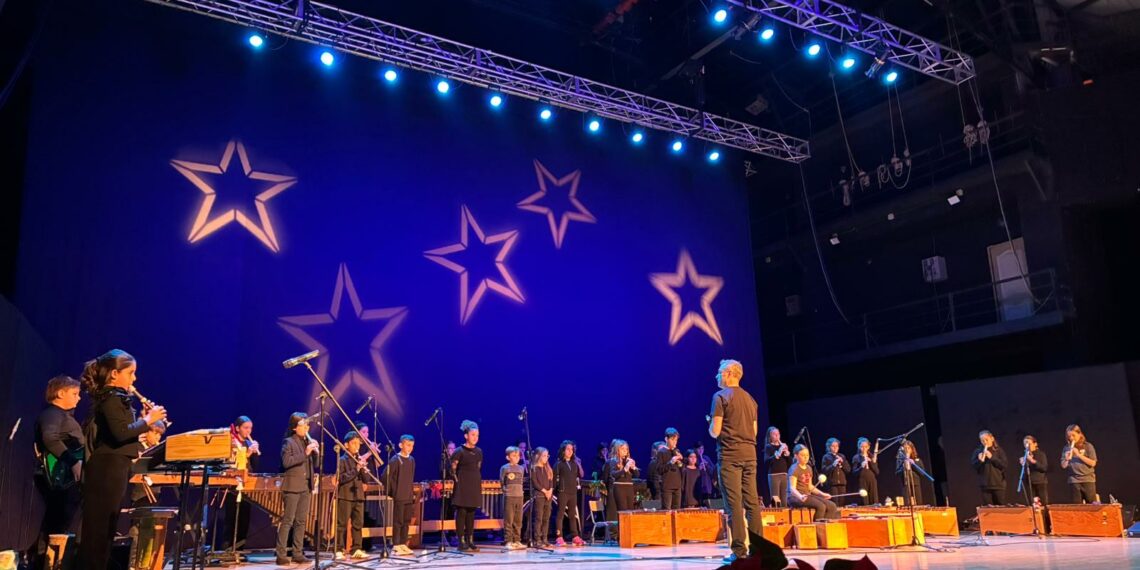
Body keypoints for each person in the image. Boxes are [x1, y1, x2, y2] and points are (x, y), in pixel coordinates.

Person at [78, 350, 167, 570]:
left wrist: (144, 421)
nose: (134, 379)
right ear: (114, 374)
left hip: (115, 466)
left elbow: (124, 432)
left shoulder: (117, 398)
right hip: (106, 468)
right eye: (131, 373)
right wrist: (148, 420)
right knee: (98, 532)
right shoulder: (111, 397)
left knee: (107, 529)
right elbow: (120, 433)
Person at [708, 359, 783, 568]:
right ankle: (759, 551)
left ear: (730, 373)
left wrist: (710, 425)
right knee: (752, 503)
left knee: (734, 504)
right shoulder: (751, 399)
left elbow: (715, 431)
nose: (716, 375)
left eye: (719, 372)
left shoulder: (720, 397)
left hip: (730, 456)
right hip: (750, 455)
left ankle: (739, 551)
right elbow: (755, 431)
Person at [33, 375, 84, 566]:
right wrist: (74, 463)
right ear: (61, 393)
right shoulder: (53, 414)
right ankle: (46, 562)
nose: (78, 398)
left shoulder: (64, 417)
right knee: (56, 523)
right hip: (59, 478)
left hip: (67, 479)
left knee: (59, 523)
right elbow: (50, 439)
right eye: (74, 394)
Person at [276, 412, 318, 565]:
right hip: (292, 487)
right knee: (288, 521)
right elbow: (287, 462)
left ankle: (297, 553)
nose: (307, 427)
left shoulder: (307, 442)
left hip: (305, 486)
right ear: (295, 427)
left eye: (308, 424)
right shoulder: (288, 442)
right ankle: (280, 554)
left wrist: (315, 453)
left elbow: (315, 465)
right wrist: (306, 453)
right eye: (303, 425)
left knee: (301, 521)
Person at [224, 415, 260, 551]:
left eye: (250, 428)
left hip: (247, 484)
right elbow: (233, 463)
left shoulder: (248, 443)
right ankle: (228, 549)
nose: (248, 431)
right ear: (237, 428)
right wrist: (247, 454)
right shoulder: (232, 442)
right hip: (233, 485)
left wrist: (255, 453)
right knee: (232, 519)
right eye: (246, 428)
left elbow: (254, 468)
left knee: (244, 519)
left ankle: (240, 549)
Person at [335, 431, 369, 560]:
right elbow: (341, 478)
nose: (357, 446)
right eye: (353, 443)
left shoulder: (359, 459)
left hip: (358, 495)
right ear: (346, 444)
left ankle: (356, 548)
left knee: (358, 524)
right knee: (342, 524)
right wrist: (356, 469)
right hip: (345, 495)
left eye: (358, 444)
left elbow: (365, 479)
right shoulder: (342, 460)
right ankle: (338, 548)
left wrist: (363, 468)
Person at [451, 420, 483, 551]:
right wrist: (458, 481)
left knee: (471, 513)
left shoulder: (479, 451)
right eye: (473, 435)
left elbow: (478, 467)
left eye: (477, 435)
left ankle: (470, 539)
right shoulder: (459, 451)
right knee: (462, 512)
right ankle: (461, 541)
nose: (475, 437)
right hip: (462, 485)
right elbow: (452, 469)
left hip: (474, 484)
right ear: (466, 436)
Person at [787, 444, 840, 521]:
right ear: (796, 456)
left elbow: (810, 487)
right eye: (802, 455)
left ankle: (826, 526)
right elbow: (792, 488)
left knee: (832, 506)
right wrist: (800, 496)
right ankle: (818, 529)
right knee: (821, 506)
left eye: (807, 455)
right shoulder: (794, 469)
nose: (805, 457)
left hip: (806, 495)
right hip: (795, 497)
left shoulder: (808, 468)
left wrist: (822, 494)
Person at [384, 434, 417, 555]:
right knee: (398, 521)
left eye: (412, 446)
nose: (410, 448)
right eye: (408, 445)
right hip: (399, 495)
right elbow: (386, 476)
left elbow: (411, 477)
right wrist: (393, 491)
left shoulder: (412, 460)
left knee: (406, 520)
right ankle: (396, 544)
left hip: (408, 495)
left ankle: (403, 543)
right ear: (400, 445)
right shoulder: (395, 460)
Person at [552, 440, 585, 547]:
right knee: (560, 514)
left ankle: (575, 536)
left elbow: (581, 474)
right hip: (562, 492)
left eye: (572, 449)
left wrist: (578, 463)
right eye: (568, 449)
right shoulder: (558, 464)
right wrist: (552, 491)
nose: (570, 451)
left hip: (573, 492)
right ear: (563, 450)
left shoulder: (574, 463)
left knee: (572, 515)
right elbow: (553, 479)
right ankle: (559, 536)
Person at [1060, 424, 1097, 504]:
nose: (1071, 438)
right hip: (1073, 481)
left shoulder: (1087, 446)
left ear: (1079, 434)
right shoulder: (1066, 448)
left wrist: (1079, 455)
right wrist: (1066, 459)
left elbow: (1093, 463)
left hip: (1088, 480)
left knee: (1091, 506)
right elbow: (1063, 466)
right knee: (1076, 507)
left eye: (1073, 435)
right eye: (1069, 436)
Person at [971, 430, 1008, 505]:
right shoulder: (978, 451)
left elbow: (1004, 465)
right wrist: (980, 461)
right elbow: (974, 467)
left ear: (992, 438)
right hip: (985, 486)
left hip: (998, 485)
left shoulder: (999, 451)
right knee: (988, 510)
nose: (985, 442)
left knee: (1000, 508)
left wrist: (992, 457)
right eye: (982, 440)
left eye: (986, 439)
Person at [605, 439, 638, 521]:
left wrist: (633, 468)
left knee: (630, 511)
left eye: (626, 449)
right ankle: (622, 531)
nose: (625, 451)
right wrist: (625, 469)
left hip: (629, 488)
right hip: (619, 488)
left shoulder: (628, 461)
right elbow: (613, 474)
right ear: (617, 450)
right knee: (623, 512)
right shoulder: (613, 461)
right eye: (623, 449)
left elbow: (637, 475)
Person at [500, 446, 526, 550]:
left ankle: (517, 540)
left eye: (518, 455)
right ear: (508, 457)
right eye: (514, 455)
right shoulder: (505, 468)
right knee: (509, 519)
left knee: (518, 520)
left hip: (519, 496)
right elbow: (502, 482)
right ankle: (508, 541)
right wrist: (506, 491)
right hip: (509, 496)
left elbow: (521, 481)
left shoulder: (521, 468)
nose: (517, 457)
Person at [531, 447, 554, 547]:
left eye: (547, 456)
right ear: (538, 456)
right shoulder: (534, 468)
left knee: (546, 518)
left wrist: (550, 491)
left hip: (548, 496)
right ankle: (537, 539)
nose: (546, 458)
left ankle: (545, 538)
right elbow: (535, 483)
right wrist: (544, 491)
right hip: (539, 495)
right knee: (539, 518)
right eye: (544, 455)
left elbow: (551, 482)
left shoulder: (548, 469)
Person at [656, 428, 684, 509]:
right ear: (666, 439)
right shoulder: (661, 452)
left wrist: (680, 464)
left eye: (676, 440)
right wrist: (671, 462)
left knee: (677, 510)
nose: (675, 442)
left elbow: (682, 469)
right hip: (667, 486)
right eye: (672, 439)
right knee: (666, 510)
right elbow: (659, 469)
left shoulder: (676, 451)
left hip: (677, 485)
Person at [762, 427, 791, 506]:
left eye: (778, 434)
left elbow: (789, 463)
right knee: (775, 499)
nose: (777, 436)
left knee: (784, 499)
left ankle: (785, 517)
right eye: (774, 434)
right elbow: (766, 462)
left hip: (784, 475)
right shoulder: (769, 447)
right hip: (774, 475)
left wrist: (787, 454)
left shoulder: (783, 446)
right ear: (770, 436)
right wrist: (778, 453)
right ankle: (777, 517)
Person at [1018, 435, 1049, 505]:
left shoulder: (1041, 454)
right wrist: (1023, 463)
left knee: (1043, 504)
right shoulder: (1026, 454)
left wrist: (1032, 461)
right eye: (1025, 444)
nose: (1027, 446)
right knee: (1031, 504)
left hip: (1040, 482)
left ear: (1035, 444)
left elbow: (1044, 468)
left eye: (1029, 443)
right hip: (1029, 483)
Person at [895, 440, 925, 506]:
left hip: (915, 484)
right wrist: (904, 466)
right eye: (905, 448)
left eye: (908, 448)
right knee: (907, 503)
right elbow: (897, 473)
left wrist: (913, 464)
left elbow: (922, 473)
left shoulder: (917, 460)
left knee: (918, 502)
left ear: (912, 449)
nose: (907, 450)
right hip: (905, 484)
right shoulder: (900, 461)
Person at [851, 437, 879, 505]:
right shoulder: (856, 457)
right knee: (864, 500)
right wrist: (861, 467)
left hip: (872, 480)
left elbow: (877, 472)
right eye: (862, 447)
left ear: (868, 447)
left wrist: (872, 462)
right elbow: (854, 473)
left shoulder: (872, 456)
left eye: (865, 447)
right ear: (859, 447)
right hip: (862, 480)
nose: (864, 449)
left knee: (873, 499)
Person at [820, 438, 850, 502]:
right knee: (835, 503)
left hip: (842, 483)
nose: (835, 447)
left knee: (842, 503)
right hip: (832, 484)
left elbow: (848, 470)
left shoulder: (842, 456)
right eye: (833, 446)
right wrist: (833, 465)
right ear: (829, 447)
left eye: (836, 446)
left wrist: (842, 463)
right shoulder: (826, 457)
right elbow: (824, 470)